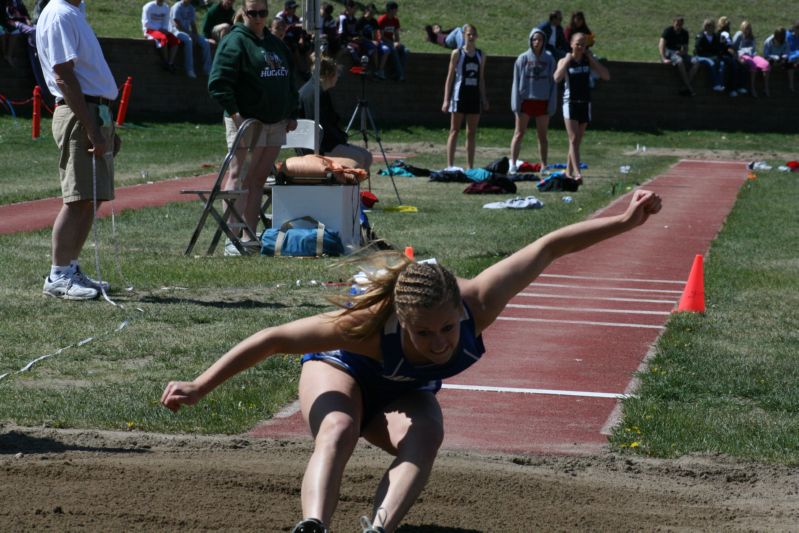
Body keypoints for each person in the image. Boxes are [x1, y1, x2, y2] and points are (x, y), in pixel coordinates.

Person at [161, 188, 663, 533]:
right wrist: (200, 385)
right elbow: (271, 338)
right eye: (423, 334)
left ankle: (378, 527)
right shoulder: (360, 329)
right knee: (337, 427)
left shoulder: (479, 304)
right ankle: (313, 524)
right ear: (401, 321)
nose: (441, 342)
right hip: (341, 370)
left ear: (459, 312)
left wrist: (624, 221)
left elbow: (549, 246)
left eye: (447, 329)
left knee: (428, 433)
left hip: (402, 392)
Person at [36, 0, 121, 300]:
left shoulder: (73, 12)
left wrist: (105, 126)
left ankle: (70, 266)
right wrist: (91, 128)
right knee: (77, 197)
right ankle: (58, 274)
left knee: (90, 196)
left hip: (93, 111)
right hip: (80, 112)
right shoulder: (59, 13)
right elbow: (64, 75)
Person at [208, 0, 298, 256]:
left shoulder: (274, 43)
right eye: (253, 13)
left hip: (275, 122)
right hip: (246, 121)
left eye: (262, 12)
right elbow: (218, 82)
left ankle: (249, 233)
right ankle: (231, 236)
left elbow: (290, 78)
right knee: (238, 174)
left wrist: (292, 112)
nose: (258, 17)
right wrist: (236, 114)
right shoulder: (235, 41)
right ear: (243, 13)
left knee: (258, 179)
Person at [297, 55, 373, 173]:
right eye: (337, 74)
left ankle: (353, 189)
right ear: (330, 75)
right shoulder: (316, 93)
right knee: (360, 158)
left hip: (325, 143)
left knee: (367, 156)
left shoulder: (318, 90)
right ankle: (346, 188)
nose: (338, 77)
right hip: (319, 147)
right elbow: (322, 127)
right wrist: (340, 139)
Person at [553, 32, 609, 183]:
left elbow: (606, 76)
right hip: (570, 102)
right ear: (571, 44)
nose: (580, 46)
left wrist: (591, 59)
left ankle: (568, 172)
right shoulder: (565, 60)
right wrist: (566, 61)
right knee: (573, 139)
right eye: (577, 43)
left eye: (583, 44)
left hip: (585, 103)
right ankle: (578, 174)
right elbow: (556, 78)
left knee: (576, 141)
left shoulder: (587, 60)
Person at [510, 28, 556, 173]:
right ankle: (513, 164)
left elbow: (553, 83)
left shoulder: (549, 59)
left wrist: (552, 103)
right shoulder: (522, 58)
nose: (537, 42)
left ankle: (544, 165)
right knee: (519, 133)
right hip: (525, 101)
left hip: (542, 101)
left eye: (540, 39)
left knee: (542, 135)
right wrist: (516, 103)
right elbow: (516, 82)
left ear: (544, 41)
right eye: (534, 39)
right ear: (530, 41)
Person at [441, 23, 487, 169]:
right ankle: (450, 165)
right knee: (454, 130)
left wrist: (484, 98)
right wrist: (446, 100)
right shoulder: (457, 53)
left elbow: (481, 78)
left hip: (474, 97)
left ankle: (470, 166)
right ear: (463, 36)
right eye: (468, 34)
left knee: (471, 133)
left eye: (474, 34)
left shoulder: (481, 55)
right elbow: (449, 77)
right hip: (459, 96)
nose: (471, 37)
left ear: (477, 36)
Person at [169, 0, 212, 78]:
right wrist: (190, 34)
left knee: (205, 42)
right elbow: (177, 25)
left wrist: (195, 35)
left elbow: (193, 24)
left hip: (187, 32)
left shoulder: (191, 8)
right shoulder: (177, 7)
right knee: (188, 40)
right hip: (175, 32)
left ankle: (207, 69)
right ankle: (189, 69)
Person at [658, 16, 699, 96]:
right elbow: (661, 45)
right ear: (673, 23)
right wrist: (663, 58)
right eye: (677, 24)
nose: (678, 27)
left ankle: (685, 86)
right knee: (680, 61)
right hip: (669, 51)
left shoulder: (685, 33)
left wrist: (681, 52)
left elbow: (686, 49)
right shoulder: (668, 31)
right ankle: (689, 88)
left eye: (680, 25)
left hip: (679, 53)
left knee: (696, 62)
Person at [732, 20, 770, 97]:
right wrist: (738, 57)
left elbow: (753, 49)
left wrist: (753, 55)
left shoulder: (751, 37)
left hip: (752, 55)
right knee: (753, 65)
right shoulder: (739, 35)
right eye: (745, 28)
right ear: (741, 28)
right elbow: (733, 48)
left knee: (766, 64)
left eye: (748, 28)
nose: (746, 30)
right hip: (743, 55)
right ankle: (752, 88)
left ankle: (766, 88)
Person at [141, 0, 181, 73]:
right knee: (163, 38)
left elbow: (165, 22)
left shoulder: (166, 8)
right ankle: (165, 62)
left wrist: (164, 29)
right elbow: (146, 23)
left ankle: (170, 63)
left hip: (162, 30)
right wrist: (159, 29)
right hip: (150, 30)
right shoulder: (148, 7)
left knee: (175, 40)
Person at [376, 1, 407, 81]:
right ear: (390, 10)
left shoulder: (395, 20)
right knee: (393, 50)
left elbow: (396, 34)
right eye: (396, 9)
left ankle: (397, 73)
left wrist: (397, 42)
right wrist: (392, 43)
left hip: (391, 42)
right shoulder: (382, 19)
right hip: (383, 41)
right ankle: (400, 75)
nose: (397, 11)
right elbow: (381, 36)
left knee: (405, 50)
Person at [693, 18, 726, 93]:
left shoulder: (715, 37)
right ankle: (716, 84)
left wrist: (717, 56)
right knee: (711, 63)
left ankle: (720, 84)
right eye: (710, 26)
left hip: (712, 57)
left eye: (713, 26)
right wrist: (710, 56)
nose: (713, 28)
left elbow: (718, 49)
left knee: (722, 64)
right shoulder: (700, 36)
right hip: (700, 56)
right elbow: (698, 50)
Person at [716, 16, 745, 97]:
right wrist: (737, 58)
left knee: (740, 65)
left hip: (725, 54)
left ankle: (739, 86)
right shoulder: (724, 33)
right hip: (722, 55)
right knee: (735, 65)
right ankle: (733, 89)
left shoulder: (723, 33)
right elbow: (729, 48)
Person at [763, 27, 795, 92]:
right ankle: (766, 87)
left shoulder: (785, 41)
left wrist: (784, 57)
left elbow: (787, 52)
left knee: (790, 63)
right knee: (767, 65)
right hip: (771, 58)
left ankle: (791, 86)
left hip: (781, 57)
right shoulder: (768, 42)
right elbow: (766, 55)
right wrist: (774, 57)